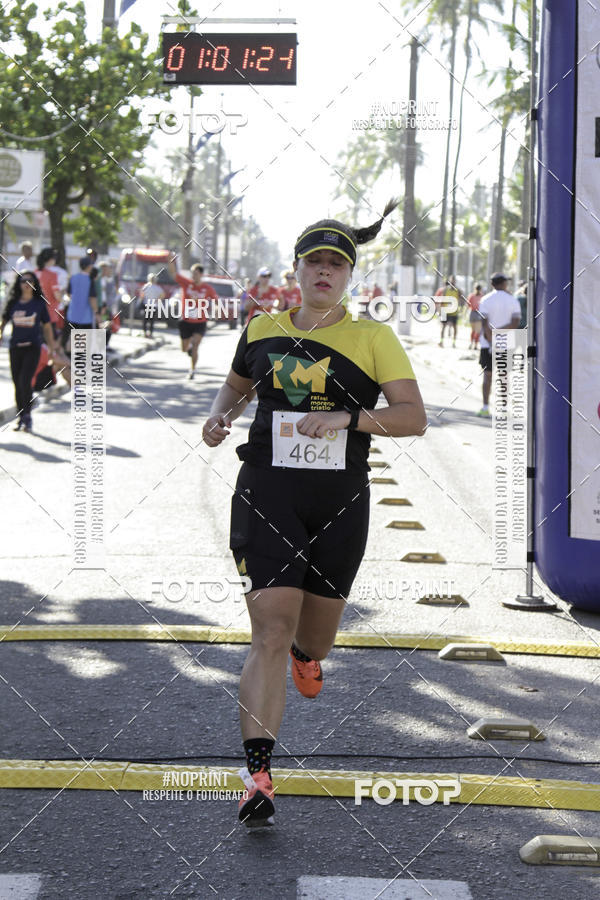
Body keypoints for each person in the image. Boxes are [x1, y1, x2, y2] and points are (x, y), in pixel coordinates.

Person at [202, 199, 426, 828]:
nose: (324, 272)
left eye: (336, 264)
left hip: (339, 501)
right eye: (314, 262)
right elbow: (238, 385)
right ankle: (258, 773)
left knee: (314, 634)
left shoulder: (373, 338)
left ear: (349, 276)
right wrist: (220, 416)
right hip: (267, 490)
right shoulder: (262, 327)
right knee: (269, 628)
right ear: (296, 269)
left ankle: (310, 653)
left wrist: (347, 416)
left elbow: (413, 418)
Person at [0, 271, 59, 432]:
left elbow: (47, 327)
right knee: (17, 384)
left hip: (33, 348)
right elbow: (3, 322)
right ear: (18, 284)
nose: (26, 284)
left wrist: (52, 348)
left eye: (30, 281)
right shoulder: (13, 302)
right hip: (15, 348)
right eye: (23, 281)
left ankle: (27, 416)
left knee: (25, 381)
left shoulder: (39, 304)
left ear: (34, 284)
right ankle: (22, 417)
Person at [477, 272, 522, 417]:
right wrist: (500, 333)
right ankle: (503, 408)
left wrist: (491, 337)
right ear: (503, 284)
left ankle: (485, 407)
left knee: (487, 375)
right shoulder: (512, 300)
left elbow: (484, 325)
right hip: (505, 343)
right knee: (503, 375)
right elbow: (515, 323)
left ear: (492, 284)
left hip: (487, 344)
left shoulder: (485, 300)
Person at [167, 257, 218, 379]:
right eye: (192, 274)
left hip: (200, 322)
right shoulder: (187, 283)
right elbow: (174, 273)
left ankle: (192, 370)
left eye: (195, 274)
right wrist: (170, 261)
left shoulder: (208, 288)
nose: (193, 276)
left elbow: (216, 301)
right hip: (185, 321)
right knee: (184, 349)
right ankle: (188, 348)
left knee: (196, 345)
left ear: (201, 274)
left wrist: (216, 311)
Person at [62, 257, 98, 352]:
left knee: (71, 337)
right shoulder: (90, 280)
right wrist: (96, 311)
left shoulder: (73, 278)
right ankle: (80, 362)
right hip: (86, 316)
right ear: (89, 266)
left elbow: (69, 294)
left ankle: (68, 359)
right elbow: (92, 298)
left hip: (72, 313)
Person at [35, 247, 63, 341]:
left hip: (35, 313)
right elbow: (57, 296)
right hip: (49, 313)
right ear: (51, 259)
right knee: (49, 344)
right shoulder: (52, 275)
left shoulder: (34, 273)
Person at [139, 273, 165, 337]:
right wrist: (156, 300)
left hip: (146, 305)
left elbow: (142, 295)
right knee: (152, 321)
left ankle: (145, 333)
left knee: (145, 320)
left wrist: (141, 301)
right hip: (154, 306)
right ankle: (150, 333)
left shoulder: (145, 286)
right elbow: (162, 296)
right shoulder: (158, 288)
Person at [438, 275, 460, 347]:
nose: (453, 282)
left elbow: (461, 299)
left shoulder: (458, 290)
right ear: (450, 281)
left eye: (454, 280)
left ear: (455, 281)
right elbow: (441, 299)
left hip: (454, 312)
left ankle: (453, 343)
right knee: (443, 327)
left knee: (455, 327)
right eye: (451, 280)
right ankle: (441, 342)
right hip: (445, 311)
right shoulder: (445, 290)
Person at [467, 282, 484, 350]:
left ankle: (471, 343)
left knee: (473, 330)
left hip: (472, 313)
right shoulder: (482, 296)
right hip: (478, 314)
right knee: (477, 331)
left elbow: (468, 305)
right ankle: (475, 345)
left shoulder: (471, 295)